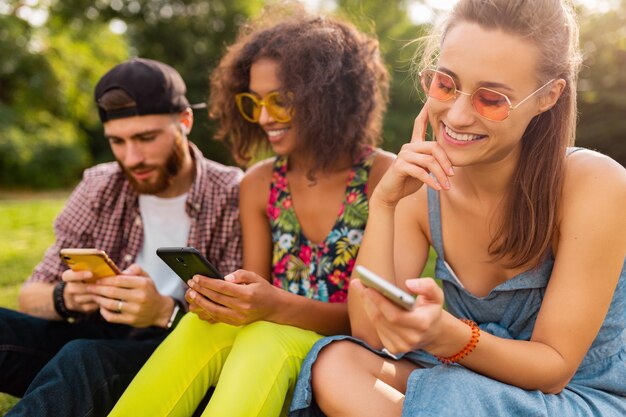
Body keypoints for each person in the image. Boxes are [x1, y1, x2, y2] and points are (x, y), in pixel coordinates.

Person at [288, 0, 626, 416]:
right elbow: (370, 335)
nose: (458, 115)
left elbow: (554, 368)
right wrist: (384, 203)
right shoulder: (419, 185)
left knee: (455, 396)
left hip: (577, 395)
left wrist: (448, 336)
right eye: (446, 85)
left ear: (548, 97)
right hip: (463, 377)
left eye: (491, 99)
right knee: (336, 362)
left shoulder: (595, 183)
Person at [109, 4, 394, 417]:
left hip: (350, 354)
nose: (263, 117)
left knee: (265, 339)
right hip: (271, 333)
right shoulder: (260, 183)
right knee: (199, 325)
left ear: (329, 98)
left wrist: (274, 307)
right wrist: (227, 300)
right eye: (253, 102)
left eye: (279, 102)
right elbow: (255, 288)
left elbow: (375, 324)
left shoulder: (383, 177)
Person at [0, 57, 243, 417]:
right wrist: (68, 297)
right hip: (96, 333)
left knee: (83, 359)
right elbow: (30, 295)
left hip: (179, 349)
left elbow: (240, 322)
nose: (132, 157)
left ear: (185, 122)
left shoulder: (234, 194)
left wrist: (164, 312)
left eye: (146, 138)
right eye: (117, 141)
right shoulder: (100, 184)